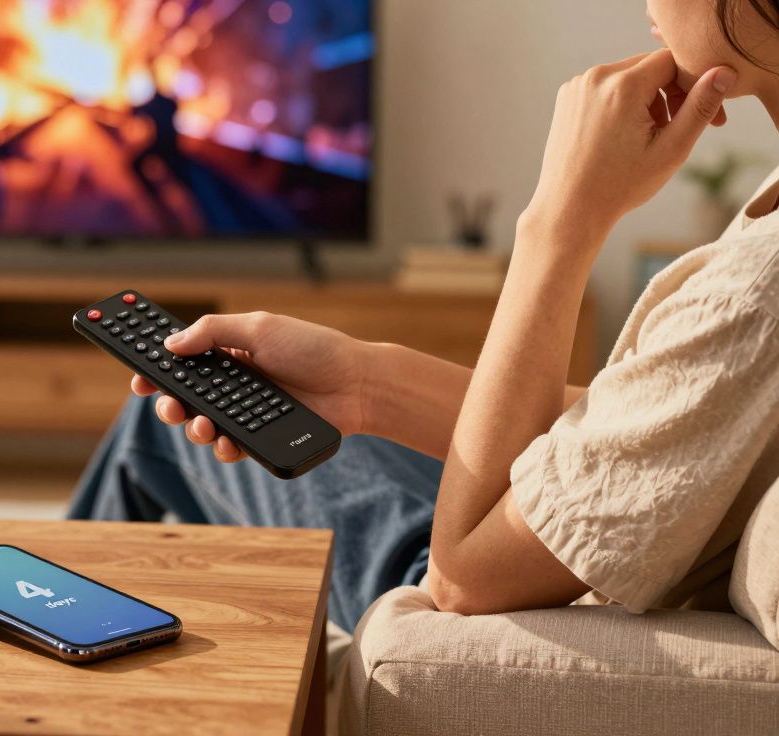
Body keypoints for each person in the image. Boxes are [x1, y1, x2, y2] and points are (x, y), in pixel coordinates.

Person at [70, 0, 779, 634]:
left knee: (162, 422)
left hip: (524, 600)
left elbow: (465, 576)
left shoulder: (756, 285)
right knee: (210, 386)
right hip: (558, 548)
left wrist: (561, 222)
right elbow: (657, 426)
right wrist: (362, 381)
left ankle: (35, 645)